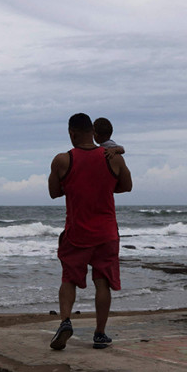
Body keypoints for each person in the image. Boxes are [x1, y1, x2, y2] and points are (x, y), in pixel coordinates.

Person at [48, 113, 133, 350]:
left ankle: (65, 321)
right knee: (102, 282)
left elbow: (54, 192)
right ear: (92, 133)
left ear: (72, 133)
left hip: (77, 231)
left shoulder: (63, 160)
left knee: (69, 279)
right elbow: (126, 186)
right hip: (106, 232)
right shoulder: (112, 158)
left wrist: (76, 186)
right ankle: (99, 333)